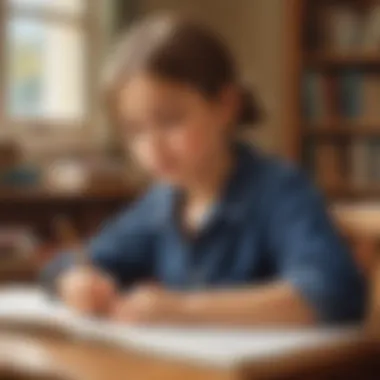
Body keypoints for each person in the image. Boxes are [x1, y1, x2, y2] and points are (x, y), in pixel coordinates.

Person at [42, 13, 366, 326]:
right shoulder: (161, 204)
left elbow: (334, 291)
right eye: (134, 130)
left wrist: (182, 309)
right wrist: (75, 281)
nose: (152, 148)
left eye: (170, 121)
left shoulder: (280, 190)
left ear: (226, 106)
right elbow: (65, 264)